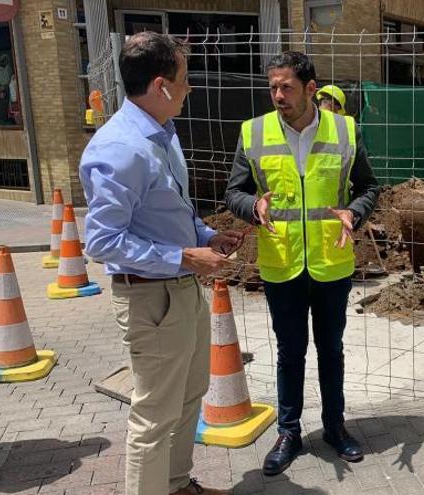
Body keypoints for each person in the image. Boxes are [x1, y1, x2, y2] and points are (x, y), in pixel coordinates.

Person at [79, 32, 241, 495]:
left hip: (181, 289)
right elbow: (103, 239)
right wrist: (183, 256)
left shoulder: (160, 136)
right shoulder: (119, 148)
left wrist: (207, 235)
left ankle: (174, 485)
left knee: (190, 396)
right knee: (153, 416)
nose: (189, 88)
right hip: (151, 298)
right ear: (160, 85)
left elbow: (171, 207)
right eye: (184, 79)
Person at [224, 52, 380, 475]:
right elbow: (233, 193)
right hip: (282, 265)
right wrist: (253, 206)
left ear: (311, 89)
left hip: (331, 265)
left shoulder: (345, 130)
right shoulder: (253, 133)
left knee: (332, 351)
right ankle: (289, 432)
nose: (277, 95)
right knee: (290, 353)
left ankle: (334, 428)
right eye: (273, 87)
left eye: (286, 87)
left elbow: (368, 187)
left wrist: (355, 213)